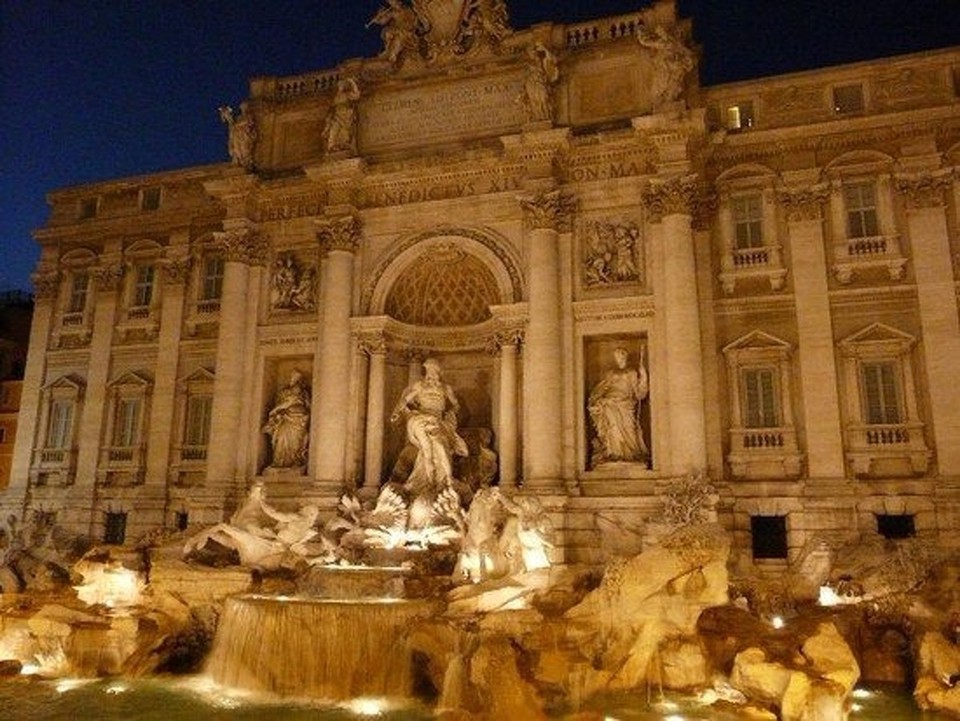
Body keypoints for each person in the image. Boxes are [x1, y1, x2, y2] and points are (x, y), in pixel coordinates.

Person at [390, 358, 469, 499]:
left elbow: (456, 405)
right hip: (420, 418)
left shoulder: (446, 388)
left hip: (438, 420)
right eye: (429, 371)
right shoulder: (419, 386)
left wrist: (451, 413)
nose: (431, 375)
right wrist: (396, 412)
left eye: (434, 371)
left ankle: (445, 479)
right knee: (426, 448)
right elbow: (405, 400)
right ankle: (431, 481)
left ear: (439, 372)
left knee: (438, 444)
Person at [588, 347, 649, 466]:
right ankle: (614, 452)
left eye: (621, 355)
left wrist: (644, 376)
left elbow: (639, 393)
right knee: (612, 427)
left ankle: (629, 454)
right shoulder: (610, 373)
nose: (619, 358)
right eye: (617, 356)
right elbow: (602, 388)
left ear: (625, 356)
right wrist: (597, 399)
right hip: (609, 403)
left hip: (626, 403)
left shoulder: (631, 372)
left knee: (629, 428)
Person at [263, 370, 311, 468]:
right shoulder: (286, 391)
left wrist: (275, 410)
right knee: (281, 438)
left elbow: (295, 403)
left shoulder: (301, 391)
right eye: (293, 376)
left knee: (295, 442)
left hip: (298, 419)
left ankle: (294, 460)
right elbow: (282, 402)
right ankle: (280, 462)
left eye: (297, 377)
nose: (294, 378)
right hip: (286, 418)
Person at [369, 0, 419, 66]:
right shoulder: (392, 12)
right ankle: (388, 51)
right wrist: (377, 19)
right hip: (397, 29)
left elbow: (413, 21)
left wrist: (410, 27)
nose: (391, 4)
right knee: (387, 33)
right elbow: (383, 21)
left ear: (398, 1)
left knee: (398, 37)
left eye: (392, 2)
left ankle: (392, 57)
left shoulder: (407, 9)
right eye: (390, 2)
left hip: (406, 30)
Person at [521, 42, 559, 123]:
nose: (532, 53)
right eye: (530, 52)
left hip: (540, 82)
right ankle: (538, 117)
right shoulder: (527, 64)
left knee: (543, 98)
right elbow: (524, 79)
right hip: (531, 83)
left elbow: (553, 61)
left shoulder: (542, 60)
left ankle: (545, 116)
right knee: (535, 102)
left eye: (533, 51)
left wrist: (545, 50)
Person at [322, 77, 361, 156]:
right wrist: (328, 121)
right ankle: (332, 147)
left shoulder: (347, 94)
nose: (340, 86)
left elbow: (357, 95)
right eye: (340, 85)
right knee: (333, 131)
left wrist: (352, 82)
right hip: (337, 116)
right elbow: (331, 108)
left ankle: (343, 145)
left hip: (346, 115)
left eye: (342, 85)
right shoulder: (336, 96)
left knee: (344, 132)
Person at [218, 102, 257, 170]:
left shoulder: (248, 116)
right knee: (237, 147)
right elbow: (233, 124)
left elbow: (249, 122)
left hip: (244, 135)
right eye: (242, 108)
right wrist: (228, 117)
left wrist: (237, 125)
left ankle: (246, 160)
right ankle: (239, 159)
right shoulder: (239, 117)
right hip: (239, 135)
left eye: (244, 108)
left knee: (245, 148)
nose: (243, 109)